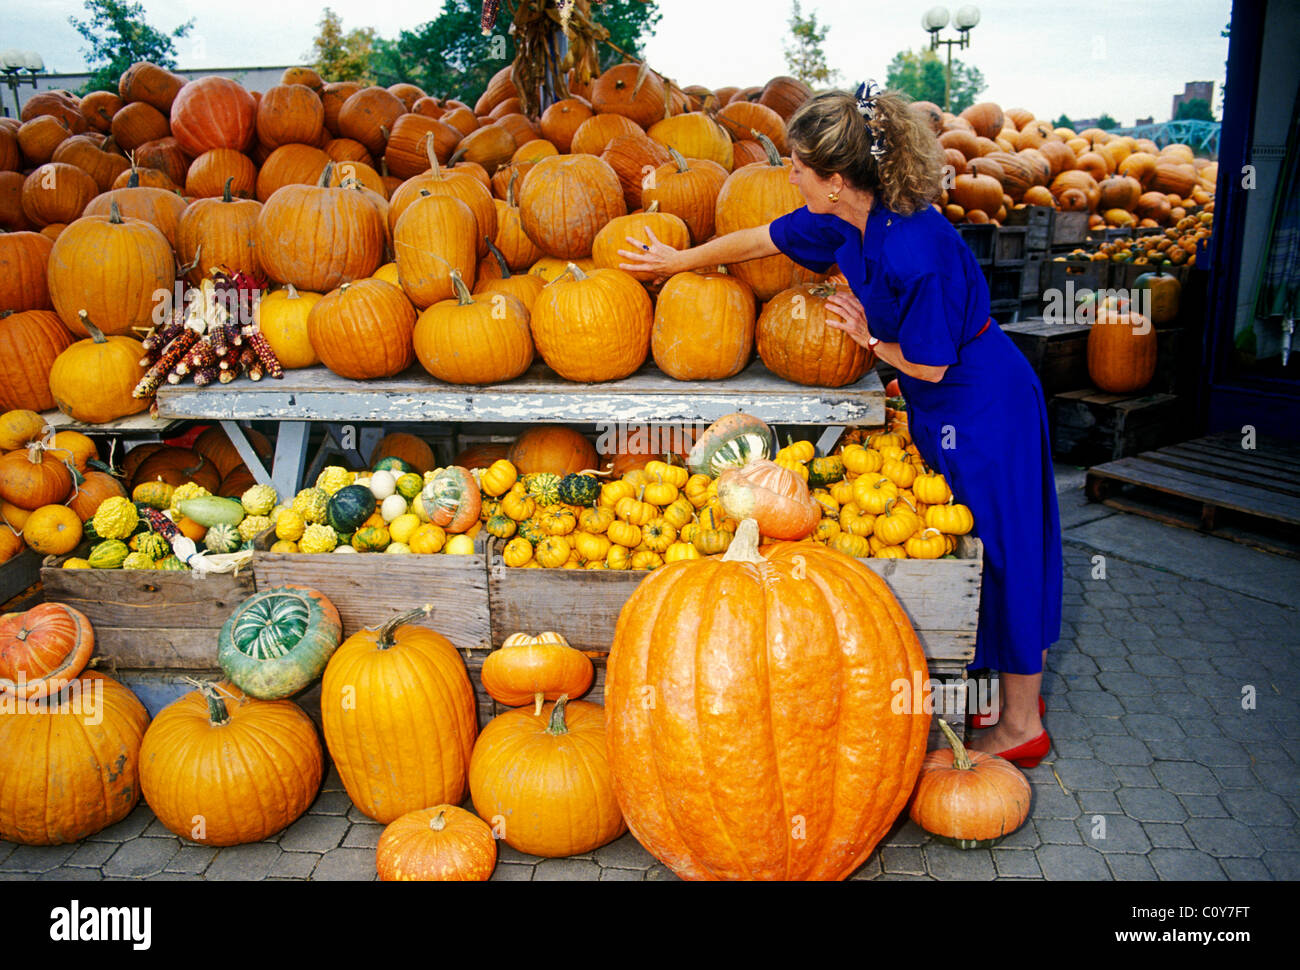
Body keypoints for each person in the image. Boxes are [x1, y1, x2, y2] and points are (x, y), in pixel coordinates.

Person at [619, 82, 1062, 768]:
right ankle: (993, 693)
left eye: (796, 166)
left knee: (1005, 551)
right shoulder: (844, 217)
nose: (787, 175)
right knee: (960, 541)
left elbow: (933, 366)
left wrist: (869, 341)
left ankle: (1022, 726)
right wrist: (678, 261)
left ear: (832, 179)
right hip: (941, 400)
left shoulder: (914, 246)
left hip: (982, 401)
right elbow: (757, 237)